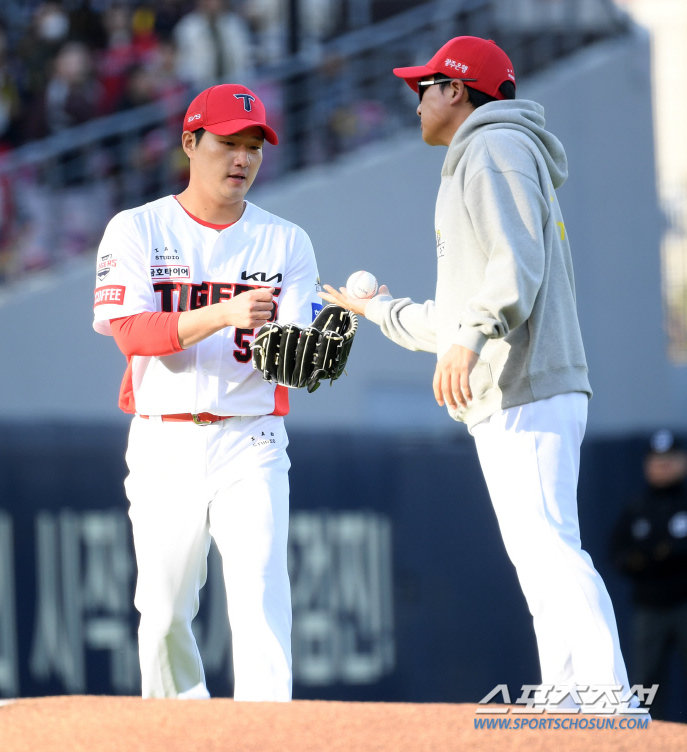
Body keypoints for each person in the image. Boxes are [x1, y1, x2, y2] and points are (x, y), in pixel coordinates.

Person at [320, 36, 640, 713]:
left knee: (550, 545)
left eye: (424, 87)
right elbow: (478, 299)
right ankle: (572, 698)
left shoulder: (494, 147)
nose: (416, 101)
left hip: (525, 381)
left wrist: (469, 338)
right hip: (517, 381)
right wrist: (382, 311)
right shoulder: (488, 152)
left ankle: (609, 699)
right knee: (540, 551)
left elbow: (515, 265)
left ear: (457, 89)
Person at [92, 83, 322, 700]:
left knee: (260, 601)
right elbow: (133, 334)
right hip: (165, 438)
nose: (242, 158)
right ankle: (180, 731)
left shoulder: (287, 241)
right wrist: (224, 313)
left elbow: (296, 360)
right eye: (228, 143)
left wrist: (316, 352)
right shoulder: (137, 228)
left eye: (254, 146)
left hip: (252, 438)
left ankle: (264, 737)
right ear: (191, 142)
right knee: (163, 614)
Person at [611, 429, 687, 719]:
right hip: (649, 608)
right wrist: (647, 560)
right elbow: (617, 554)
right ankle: (647, 743)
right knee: (646, 685)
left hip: (684, 602)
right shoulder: (636, 509)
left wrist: (670, 554)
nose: (663, 465)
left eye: (670, 459)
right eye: (657, 460)